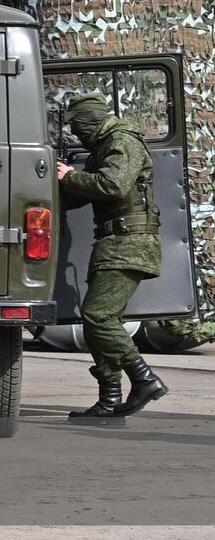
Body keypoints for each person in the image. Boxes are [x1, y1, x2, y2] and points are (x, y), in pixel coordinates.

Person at [58, 91, 167, 420]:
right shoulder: (104, 146)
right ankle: (109, 398)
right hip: (113, 243)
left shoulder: (122, 141)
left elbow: (113, 185)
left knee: (98, 316)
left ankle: (144, 378)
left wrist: (70, 176)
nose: (77, 136)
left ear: (90, 123)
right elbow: (81, 194)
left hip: (129, 243)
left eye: (78, 130)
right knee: (98, 323)